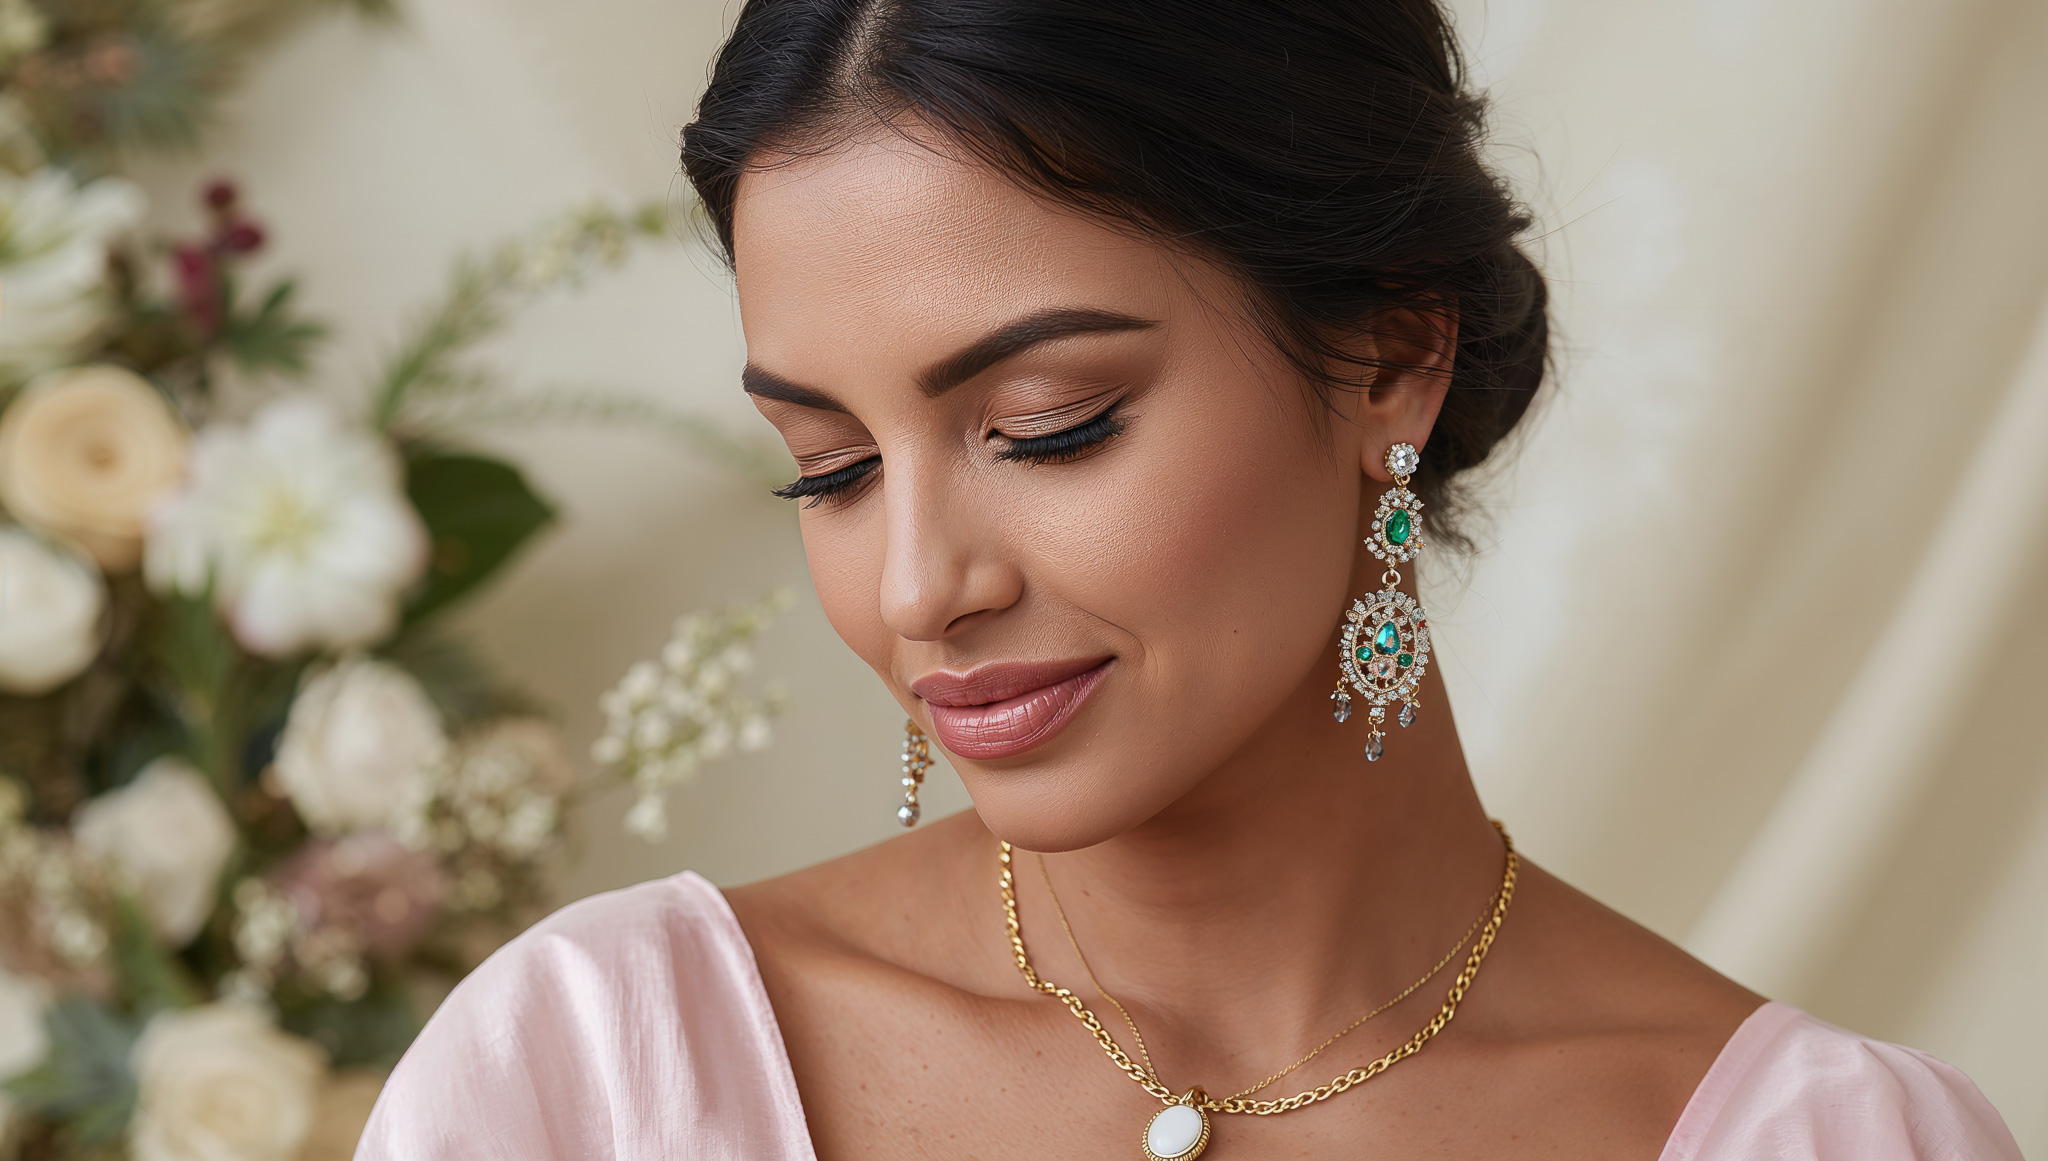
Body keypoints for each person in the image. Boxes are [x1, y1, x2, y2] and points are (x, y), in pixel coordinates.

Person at [356, 1, 2024, 1158]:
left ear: (1390, 349)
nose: (920, 584)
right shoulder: (598, 1076)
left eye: (1049, 426)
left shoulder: (1830, 1140)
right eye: (835, 467)